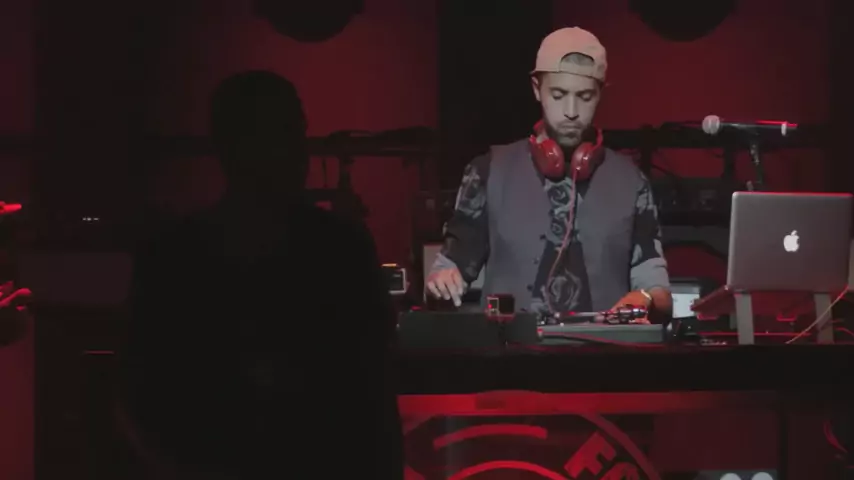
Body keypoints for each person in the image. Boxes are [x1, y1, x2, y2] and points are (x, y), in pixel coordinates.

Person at [119, 70, 402, 479]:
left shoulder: (175, 255)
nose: (299, 152)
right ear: (233, 148)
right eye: (281, 134)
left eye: (297, 133)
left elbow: (373, 397)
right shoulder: (339, 249)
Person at [426, 27, 672, 322]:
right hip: (508, 349)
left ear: (601, 94)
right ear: (536, 88)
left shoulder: (633, 183)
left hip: (605, 349)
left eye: (585, 96)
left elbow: (658, 291)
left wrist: (648, 299)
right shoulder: (487, 172)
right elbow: (448, 267)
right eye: (558, 94)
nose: (571, 111)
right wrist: (442, 280)